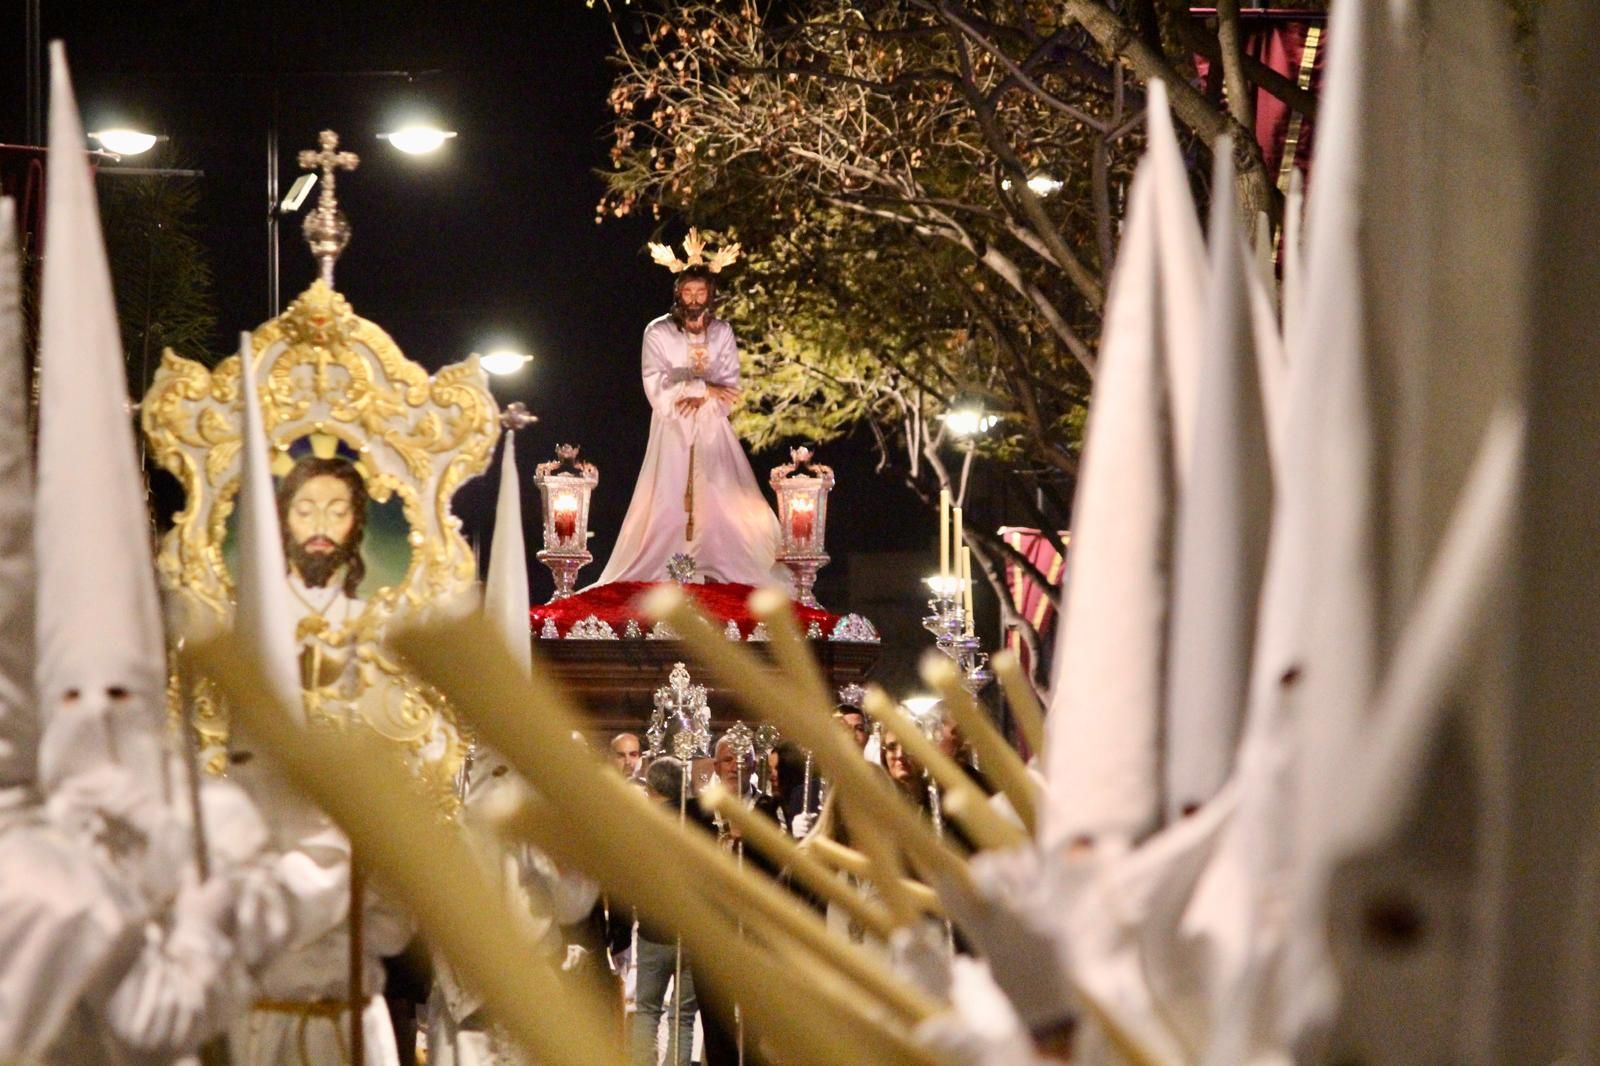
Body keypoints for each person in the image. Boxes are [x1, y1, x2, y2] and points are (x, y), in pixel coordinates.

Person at [594, 239, 783, 588]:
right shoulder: (658, 331)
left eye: (700, 292)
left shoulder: (722, 332)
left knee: (726, 496)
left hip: (712, 428)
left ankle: (717, 562)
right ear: (678, 293)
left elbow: (729, 386)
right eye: (688, 292)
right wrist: (703, 388)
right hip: (673, 428)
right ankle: (669, 564)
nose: (694, 299)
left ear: (710, 294)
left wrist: (700, 392)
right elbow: (656, 383)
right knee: (666, 496)